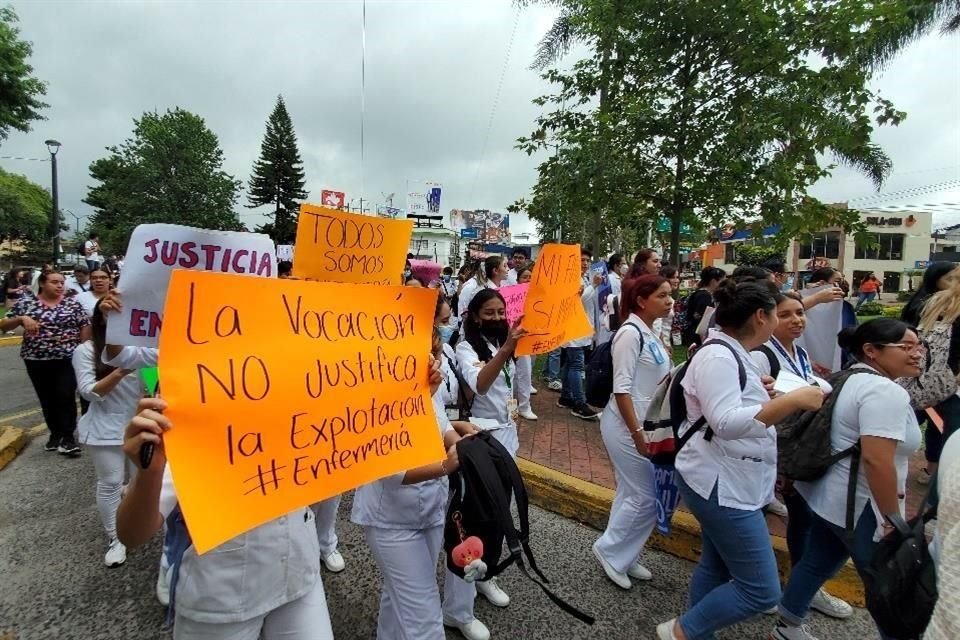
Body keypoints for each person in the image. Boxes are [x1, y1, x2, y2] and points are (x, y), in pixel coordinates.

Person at [656, 279, 826, 640]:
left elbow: (730, 406)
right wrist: (791, 401)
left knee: (716, 564)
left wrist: (760, 394)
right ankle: (682, 631)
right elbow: (725, 422)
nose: (788, 321)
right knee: (761, 589)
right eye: (780, 314)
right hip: (719, 483)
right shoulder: (719, 355)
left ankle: (696, 634)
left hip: (731, 478)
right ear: (761, 317)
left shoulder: (733, 352)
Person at [116, 398, 335, 640]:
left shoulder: (301, 401)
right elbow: (131, 534)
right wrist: (150, 472)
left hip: (300, 576)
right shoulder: (193, 413)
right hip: (220, 599)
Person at [770, 319, 923, 640]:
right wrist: (891, 517)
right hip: (863, 506)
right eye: (905, 347)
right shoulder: (884, 392)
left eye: (917, 346)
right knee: (888, 586)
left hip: (832, 499)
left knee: (818, 560)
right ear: (872, 351)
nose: (917, 353)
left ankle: (786, 626)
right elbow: (876, 459)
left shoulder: (851, 378)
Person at [353, 334, 477, 640]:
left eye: (431, 346)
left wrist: (460, 443)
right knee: (424, 620)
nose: (431, 355)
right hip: (391, 521)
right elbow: (390, 471)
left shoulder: (425, 380)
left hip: (431, 511)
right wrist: (447, 465)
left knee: (399, 597)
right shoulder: (373, 393)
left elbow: (442, 424)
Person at [749, 292, 853, 620]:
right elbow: (751, 407)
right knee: (762, 514)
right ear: (765, 318)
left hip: (795, 447)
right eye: (786, 314)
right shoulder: (761, 356)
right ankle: (757, 587)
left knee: (802, 518)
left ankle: (800, 586)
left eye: (799, 313)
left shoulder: (800, 353)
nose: (797, 320)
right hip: (768, 448)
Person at [444, 288, 527, 637]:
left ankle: (485, 575)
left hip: (506, 440)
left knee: (497, 519)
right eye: (488, 313)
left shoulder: (500, 345)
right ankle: (457, 610)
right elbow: (479, 385)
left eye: (500, 312)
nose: (496, 318)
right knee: (472, 524)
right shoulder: (466, 348)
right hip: (479, 443)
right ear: (475, 316)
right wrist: (507, 350)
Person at [593, 275, 673, 589]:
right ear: (642, 300)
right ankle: (611, 552)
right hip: (627, 425)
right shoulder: (629, 333)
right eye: (663, 295)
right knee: (647, 494)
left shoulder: (649, 332)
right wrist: (637, 432)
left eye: (670, 295)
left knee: (630, 491)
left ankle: (626, 552)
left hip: (645, 425)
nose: (670, 301)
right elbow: (622, 389)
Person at [72, 301, 143, 567]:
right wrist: (122, 368)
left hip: (139, 426)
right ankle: (116, 538)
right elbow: (90, 392)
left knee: (139, 483)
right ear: (100, 320)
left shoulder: (143, 349)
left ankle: (135, 525)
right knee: (111, 482)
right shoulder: (86, 351)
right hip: (105, 429)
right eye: (109, 315)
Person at [0, 270, 90, 455]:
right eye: (54, 282)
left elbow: (84, 325)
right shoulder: (27, 303)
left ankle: (68, 437)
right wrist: (21, 318)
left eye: (62, 282)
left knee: (65, 396)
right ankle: (55, 434)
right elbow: (4, 324)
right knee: (47, 398)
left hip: (67, 358)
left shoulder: (71, 304)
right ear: (42, 284)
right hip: (36, 359)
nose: (59, 286)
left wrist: (83, 349)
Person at [559, 248, 603, 420]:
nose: (584, 264)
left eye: (587, 261)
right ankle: (579, 403)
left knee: (571, 364)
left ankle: (565, 397)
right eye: (581, 260)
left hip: (581, 329)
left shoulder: (584, 277)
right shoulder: (570, 279)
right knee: (577, 365)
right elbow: (578, 300)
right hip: (573, 329)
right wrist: (594, 286)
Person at [513, 263, 538, 420]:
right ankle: (524, 406)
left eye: (530, 277)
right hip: (517, 338)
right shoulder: (513, 295)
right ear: (518, 280)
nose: (528, 279)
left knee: (525, 371)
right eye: (524, 277)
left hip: (533, 338)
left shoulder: (537, 295)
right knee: (524, 371)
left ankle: (518, 400)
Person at [681, 266, 725, 346]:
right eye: (723, 281)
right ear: (714, 281)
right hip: (698, 336)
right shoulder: (704, 296)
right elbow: (698, 316)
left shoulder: (705, 294)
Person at [457, 256, 508, 320]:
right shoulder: (477, 289)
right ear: (495, 270)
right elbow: (464, 313)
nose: (508, 269)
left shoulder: (504, 287)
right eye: (504, 266)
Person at [659, 265, 681, 348]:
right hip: (659, 343)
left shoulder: (671, 299)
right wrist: (663, 345)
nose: (676, 280)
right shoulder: (659, 298)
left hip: (666, 341)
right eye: (673, 278)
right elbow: (656, 324)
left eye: (677, 277)